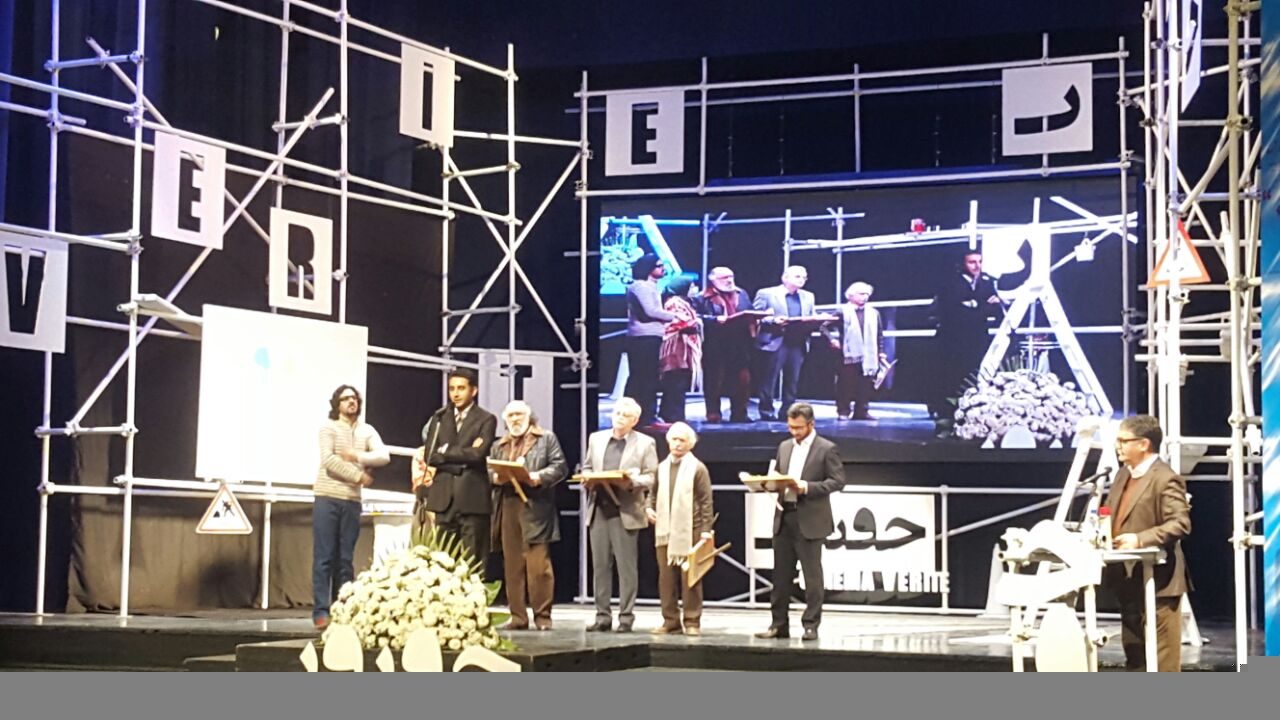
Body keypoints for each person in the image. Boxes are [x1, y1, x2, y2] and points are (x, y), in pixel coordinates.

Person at [1102, 414, 1192, 672]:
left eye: (1123, 441)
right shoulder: (1123, 475)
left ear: (1144, 444)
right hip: (1128, 577)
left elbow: (1180, 523)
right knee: (1135, 655)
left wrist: (1140, 539)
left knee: (1162, 659)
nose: (1118, 446)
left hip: (1159, 580)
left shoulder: (1165, 478)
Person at [755, 403, 845, 641]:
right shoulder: (784, 447)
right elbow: (777, 474)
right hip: (784, 516)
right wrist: (766, 484)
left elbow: (837, 481)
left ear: (811, 424)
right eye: (791, 427)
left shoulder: (826, 448)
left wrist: (806, 487)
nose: (794, 432)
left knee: (811, 576)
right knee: (780, 576)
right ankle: (778, 624)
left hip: (810, 519)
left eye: (799, 428)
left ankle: (811, 625)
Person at [313, 385, 390, 630]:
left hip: (352, 501)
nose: (351, 402)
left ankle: (342, 608)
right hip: (327, 497)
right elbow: (329, 460)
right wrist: (358, 476)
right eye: (346, 398)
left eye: (354, 398)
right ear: (337, 404)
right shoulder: (329, 428)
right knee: (325, 557)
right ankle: (321, 610)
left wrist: (357, 456)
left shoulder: (366, 430)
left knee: (345, 559)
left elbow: (383, 455)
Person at [489, 400, 567, 631]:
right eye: (511, 415)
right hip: (508, 505)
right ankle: (518, 617)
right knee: (512, 565)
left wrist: (538, 477)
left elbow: (559, 466)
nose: (515, 419)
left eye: (519, 415)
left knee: (538, 566)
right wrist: (496, 477)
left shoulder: (546, 439)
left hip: (535, 506)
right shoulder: (499, 444)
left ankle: (542, 616)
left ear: (529, 417)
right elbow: (488, 470)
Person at [582, 397, 658, 633]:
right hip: (599, 509)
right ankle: (602, 616)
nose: (620, 418)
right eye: (617, 413)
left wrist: (631, 481)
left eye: (626, 415)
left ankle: (626, 617)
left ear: (635, 420)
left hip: (626, 510)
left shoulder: (645, 443)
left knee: (626, 568)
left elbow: (651, 477)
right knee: (600, 566)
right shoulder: (596, 439)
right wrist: (587, 478)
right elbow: (587, 466)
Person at [416, 368, 498, 569]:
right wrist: (462, 455)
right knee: (443, 562)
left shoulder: (486, 419)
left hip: (472, 498)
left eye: (461, 388)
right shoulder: (440, 417)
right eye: (452, 388)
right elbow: (430, 456)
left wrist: (446, 452)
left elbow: (478, 454)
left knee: (474, 562)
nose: (455, 393)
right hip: (444, 497)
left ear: (474, 390)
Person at [645, 422, 714, 636]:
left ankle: (692, 621)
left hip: (691, 530)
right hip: (665, 530)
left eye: (682, 440)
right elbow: (652, 494)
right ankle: (671, 621)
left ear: (690, 444)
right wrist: (648, 508)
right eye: (674, 439)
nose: (677, 444)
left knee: (690, 578)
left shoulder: (698, 468)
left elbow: (706, 501)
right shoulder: (661, 467)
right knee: (666, 579)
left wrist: (705, 530)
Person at [929, 250, 1002, 429]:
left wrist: (976, 307)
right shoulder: (951, 284)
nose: (977, 266)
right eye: (972, 262)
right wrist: (984, 307)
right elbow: (956, 313)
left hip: (977, 339)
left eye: (980, 261)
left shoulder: (986, 284)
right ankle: (946, 412)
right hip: (953, 340)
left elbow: (992, 310)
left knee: (974, 373)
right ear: (963, 264)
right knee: (952, 375)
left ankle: (970, 410)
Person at [753, 265, 820, 422]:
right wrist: (773, 320)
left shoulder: (808, 296)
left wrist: (817, 319)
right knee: (769, 378)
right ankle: (766, 411)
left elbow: (811, 315)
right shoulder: (767, 293)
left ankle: (787, 411)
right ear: (785, 278)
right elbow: (756, 316)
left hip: (798, 342)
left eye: (804, 277)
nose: (802, 280)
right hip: (775, 340)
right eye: (798, 276)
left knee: (792, 380)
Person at [694, 266, 756, 423]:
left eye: (731, 277)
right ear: (713, 280)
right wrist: (714, 320)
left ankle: (739, 413)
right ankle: (713, 413)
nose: (729, 280)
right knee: (714, 380)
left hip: (740, 343)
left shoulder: (741, 294)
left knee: (742, 380)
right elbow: (696, 317)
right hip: (715, 343)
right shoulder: (702, 297)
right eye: (724, 278)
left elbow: (750, 311)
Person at [625, 253, 676, 426]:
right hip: (643, 337)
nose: (663, 269)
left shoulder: (651, 286)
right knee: (643, 378)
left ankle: (642, 415)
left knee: (648, 377)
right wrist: (675, 316)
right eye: (659, 266)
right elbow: (651, 311)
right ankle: (644, 416)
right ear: (648, 268)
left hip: (651, 336)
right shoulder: (641, 286)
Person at [830, 281, 887, 421]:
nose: (865, 297)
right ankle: (843, 411)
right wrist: (832, 339)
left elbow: (879, 334)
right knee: (846, 383)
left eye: (867, 294)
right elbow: (824, 326)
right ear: (851, 295)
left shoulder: (874, 313)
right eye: (861, 294)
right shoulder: (842, 312)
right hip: (848, 354)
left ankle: (862, 411)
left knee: (865, 383)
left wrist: (880, 351)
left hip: (869, 354)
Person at [658, 275, 703, 424]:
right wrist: (695, 322)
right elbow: (677, 321)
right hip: (676, 345)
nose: (695, 289)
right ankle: (674, 415)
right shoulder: (674, 302)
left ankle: (671, 413)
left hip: (685, 345)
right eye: (692, 286)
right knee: (676, 379)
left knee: (679, 379)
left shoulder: (685, 302)